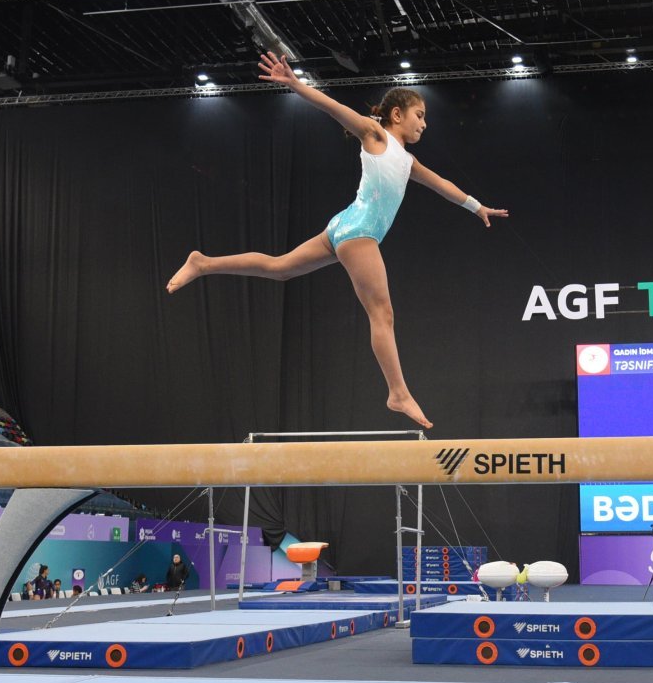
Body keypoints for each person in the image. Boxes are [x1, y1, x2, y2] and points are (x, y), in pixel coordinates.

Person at [167, 53, 507, 429]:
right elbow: (334, 107)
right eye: (420, 115)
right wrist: (295, 84)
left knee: (279, 268)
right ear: (397, 115)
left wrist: (477, 207)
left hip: (344, 227)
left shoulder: (407, 162)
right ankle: (398, 392)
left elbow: (442, 184)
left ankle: (204, 263)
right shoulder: (375, 135)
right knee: (382, 314)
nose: (424, 123)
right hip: (359, 232)